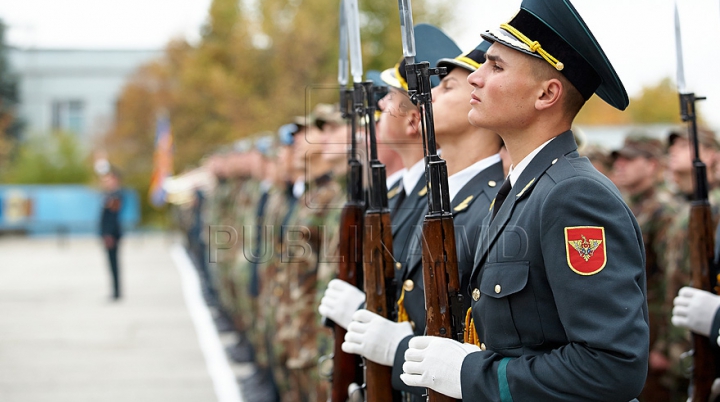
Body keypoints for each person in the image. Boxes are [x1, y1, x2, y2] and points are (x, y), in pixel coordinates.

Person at [399, 0, 649, 400]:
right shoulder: (521, 189)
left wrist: (470, 374)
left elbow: (611, 367)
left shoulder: (573, 196)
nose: (475, 79)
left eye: (495, 66)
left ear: (546, 94)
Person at [338, 41, 505, 402]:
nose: (428, 96)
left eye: (446, 88)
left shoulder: (492, 204)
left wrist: (398, 349)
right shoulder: (433, 197)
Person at [611, 135, 680, 400]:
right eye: (618, 158)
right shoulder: (625, 202)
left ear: (652, 165)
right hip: (629, 328)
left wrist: (665, 345)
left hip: (652, 332)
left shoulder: (665, 211)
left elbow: (672, 279)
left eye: (630, 158)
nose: (620, 164)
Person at [99, 169, 123, 300]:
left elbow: (113, 217)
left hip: (112, 235)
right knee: (110, 263)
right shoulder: (108, 195)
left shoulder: (116, 195)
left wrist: (108, 234)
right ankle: (114, 290)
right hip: (108, 234)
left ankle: (117, 292)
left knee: (114, 263)